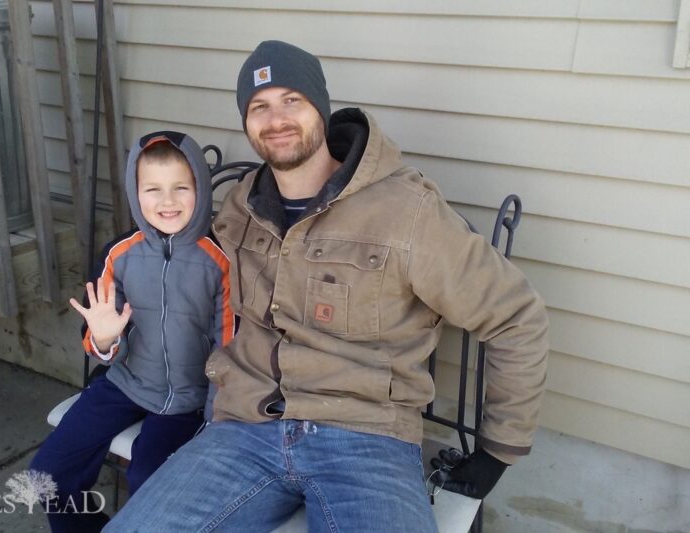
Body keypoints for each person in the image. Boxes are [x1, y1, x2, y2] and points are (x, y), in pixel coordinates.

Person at [105, 40, 548, 532]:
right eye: (259, 107)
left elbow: (514, 317)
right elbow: (185, 275)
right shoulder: (239, 206)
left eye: (291, 99)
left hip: (366, 440)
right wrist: (115, 336)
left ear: (320, 106)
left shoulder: (407, 212)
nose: (276, 119)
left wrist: (499, 450)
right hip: (244, 430)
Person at [30, 130, 234, 533]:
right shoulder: (119, 254)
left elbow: (230, 347)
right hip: (124, 383)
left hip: (185, 402)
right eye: (152, 189)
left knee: (150, 486)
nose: (168, 201)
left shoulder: (220, 262)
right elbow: (97, 341)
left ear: (202, 189)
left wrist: (216, 421)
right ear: (134, 192)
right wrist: (104, 339)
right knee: (48, 473)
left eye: (181, 187)